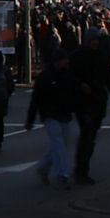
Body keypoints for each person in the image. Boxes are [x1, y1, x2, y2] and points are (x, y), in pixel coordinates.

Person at [71, 30, 110, 186]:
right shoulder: (77, 57)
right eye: (92, 40)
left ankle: (82, 167)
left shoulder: (103, 57)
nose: (95, 43)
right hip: (82, 102)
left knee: (91, 136)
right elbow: (69, 77)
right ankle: (81, 170)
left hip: (98, 102)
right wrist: (79, 85)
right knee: (87, 135)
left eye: (96, 40)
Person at [24, 49, 81, 189]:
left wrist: (77, 109)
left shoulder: (68, 75)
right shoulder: (45, 78)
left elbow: (74, 94)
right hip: (50, 115)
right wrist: (30, 119)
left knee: (60, 145)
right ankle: (63, 174)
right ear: (57, 61)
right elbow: (36, 99)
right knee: (59, 143)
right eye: (64, 59)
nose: (67, 62)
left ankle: (43, 168)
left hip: (64, 114)